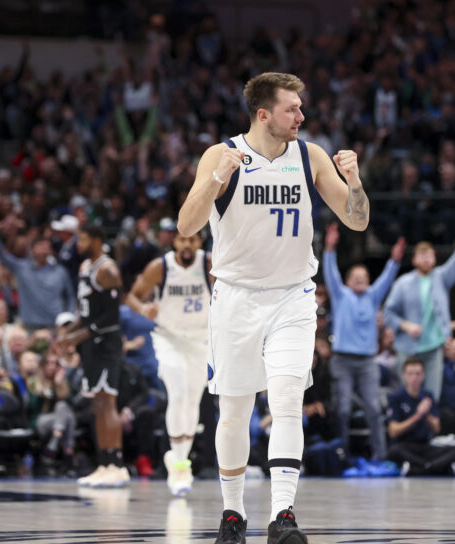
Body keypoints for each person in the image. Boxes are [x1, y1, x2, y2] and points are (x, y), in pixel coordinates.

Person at [176, 72, 370, 544]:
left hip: (293, 296)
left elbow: (357, 221)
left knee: (286, 399)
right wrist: (216, 180)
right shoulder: (222, 155)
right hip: (236, 297)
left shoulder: (310, 155)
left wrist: (354, 181)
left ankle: (284, 515)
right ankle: (233, 514)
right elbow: (186, 225)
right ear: (264, 114)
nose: (301, 116)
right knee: (236, 409)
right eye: (292, 108)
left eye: (301, 107)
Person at [126, 229, 212, 496]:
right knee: (177, 393)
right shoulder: (160, 267)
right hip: (169, 339)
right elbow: (132, 296)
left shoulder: (209, 263)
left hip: (200, 340)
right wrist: (143, 309)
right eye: (183, 240)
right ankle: (180, 466)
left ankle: (180, 459)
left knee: (193, 399)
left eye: (192, 240)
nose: (187, 245)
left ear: (199, 243)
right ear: (175, 242)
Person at [323, 223, 403, 461]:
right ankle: (342, 455)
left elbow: (387, 279)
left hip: (367, 361)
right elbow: (330, 273)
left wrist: (395, 261)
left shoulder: (373, 296)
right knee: (344, 409)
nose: (360, 280)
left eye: (364, 277)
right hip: (343, 360)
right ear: (348, 281)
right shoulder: (340, 294)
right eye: (355, 277)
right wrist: (329, 248)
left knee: (374, 409)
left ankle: (380, 456)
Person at [383, 204, 455, 400]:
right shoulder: (403, 283)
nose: (426, 258)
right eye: (422, 255)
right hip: (407, 348)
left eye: (430, 255)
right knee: (408, 395)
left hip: (434, 347)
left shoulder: (441, 277)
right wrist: (406, 325)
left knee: (432, 395)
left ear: (435, 259)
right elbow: (388, 314)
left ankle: (430, 431)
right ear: (415, 260)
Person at [60, 224, 130, 488]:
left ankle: (117, 464)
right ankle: (103, 464)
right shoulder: (85, 268)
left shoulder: (108, 270)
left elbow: (112, 316)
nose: (78, 243)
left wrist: (78, 336)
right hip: (90, 343)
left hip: (106, 343)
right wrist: (68, 333)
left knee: (108, 402)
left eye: (83, 238)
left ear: (98, 240)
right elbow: (85, 312)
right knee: (97, 404)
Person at [0, 216, 76, 332]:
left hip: (55, 325)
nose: (43, 251)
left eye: (46, 247)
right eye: (40, 247)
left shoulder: (60, 271)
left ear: (50, 251)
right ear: (32, 250)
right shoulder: (21, 267)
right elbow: (2, 256)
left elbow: (70, 296)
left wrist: (68, 316)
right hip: (30, 326)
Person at [386, 357, 455, 476]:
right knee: (394, 451)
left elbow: (436, 428)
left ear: (423, 375)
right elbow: (393, 432)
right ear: (404, 375)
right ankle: (435, 466)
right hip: (405, 445)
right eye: (410, 374)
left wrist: (427, 414)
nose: (414, 378)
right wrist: (417, 415)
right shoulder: (396, 398)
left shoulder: (427, 396)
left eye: (418, 374)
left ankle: (425, 467)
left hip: (425, 445)